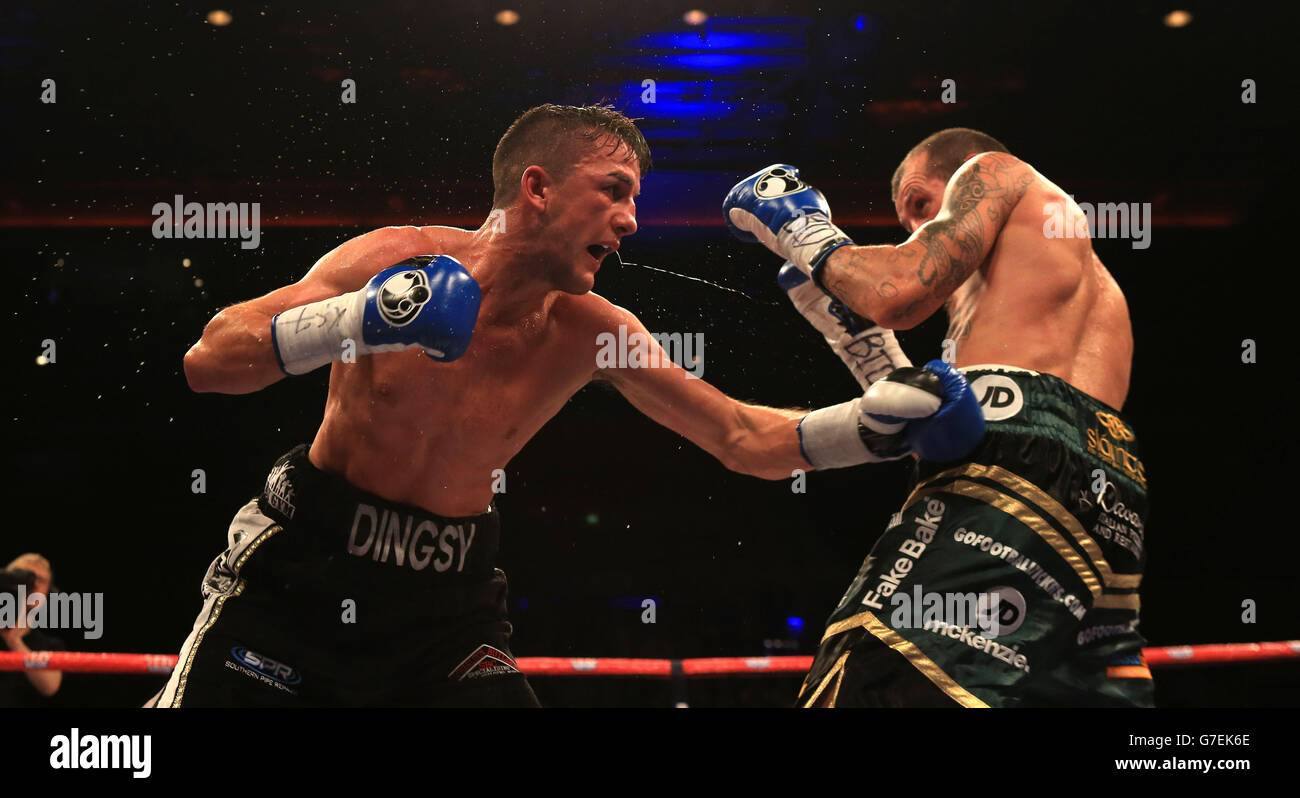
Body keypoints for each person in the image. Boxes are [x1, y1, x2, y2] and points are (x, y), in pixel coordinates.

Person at [150, 105, 984, 707]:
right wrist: (363, 317)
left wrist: (871, 427)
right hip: (300, 575)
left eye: (635, 204)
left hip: (448, 609)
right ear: (539, 187)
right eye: (614, 191)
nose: (628, 221)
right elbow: (209, 361)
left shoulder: (593, 332)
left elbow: (738, 436)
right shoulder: (395, 258)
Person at [724, 127, 1150, 707]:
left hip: (1010, 480)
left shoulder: (994, 171)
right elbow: (964, 416)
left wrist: (802, 230)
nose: (922, 229)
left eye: (923, 205)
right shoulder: (1072, 291)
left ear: (961, 169)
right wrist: (863, 345)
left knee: (870, 678)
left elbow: (895, 290)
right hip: (1111, 501)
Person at [0, 553, 65, 706]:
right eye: (23, 577)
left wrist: (15, 642)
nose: (32, 585)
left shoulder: (50, 645)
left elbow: (50, 687)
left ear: (48, 593)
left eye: (40, 581)